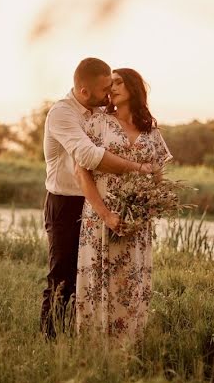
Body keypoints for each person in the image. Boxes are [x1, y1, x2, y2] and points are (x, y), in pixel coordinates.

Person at [40, 58, 160, 339]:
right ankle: (51, 341)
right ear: (84, 91)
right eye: (105, 89)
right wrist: (139, 169)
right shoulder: (62, 114)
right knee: (62, 276)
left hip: (92, 203)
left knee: (91, 276)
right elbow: (87, 157)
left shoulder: (99, 113)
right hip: (65, 203)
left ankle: (90, 336)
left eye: (112, 86)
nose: (109, 94)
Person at [75, 68, 172, 340]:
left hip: (136, 224)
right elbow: (82, 173)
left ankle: (127, 352)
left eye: (118, 82)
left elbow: (158, 179)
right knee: (99, 281)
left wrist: (142, 214)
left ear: (133, 87)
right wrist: (106, 215)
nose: (112, 87)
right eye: (109, 83)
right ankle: (93, 353)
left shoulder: (151, 132)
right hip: (100, 217)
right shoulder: (98, 123)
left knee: (130, 284)